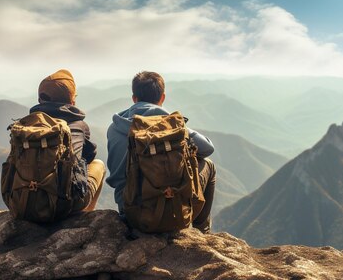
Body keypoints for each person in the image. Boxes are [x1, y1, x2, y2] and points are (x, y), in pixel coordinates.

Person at [106, 71, 216, 232]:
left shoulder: (114, 128)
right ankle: (201, 231)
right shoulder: (171, 125)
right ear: (162, 98)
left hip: (131, 213)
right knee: (209, 165)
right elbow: (207, 148)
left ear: (134, 98)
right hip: (173, 211)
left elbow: (116, 176)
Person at [30, 69, 106, 212]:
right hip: (62, 206)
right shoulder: (78, 125)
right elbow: (89, 157)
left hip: (25, 202)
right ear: (72, 101)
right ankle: (85, 216)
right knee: (99, 165)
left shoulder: (27, 126)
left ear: (40, 100)